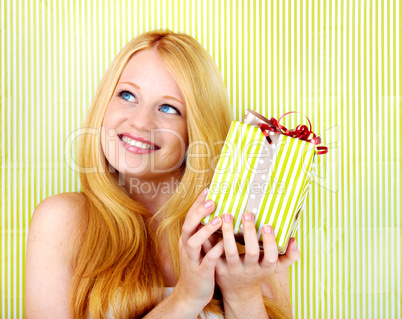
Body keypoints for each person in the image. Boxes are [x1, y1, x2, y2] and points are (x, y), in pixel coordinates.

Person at [25, 30, 301, 319]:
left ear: (195, 130)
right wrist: (185, 298)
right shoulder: (62, 221)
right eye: (127, 95)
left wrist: (242, 293)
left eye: (169, 108)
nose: (140, 122)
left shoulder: (245, 226)